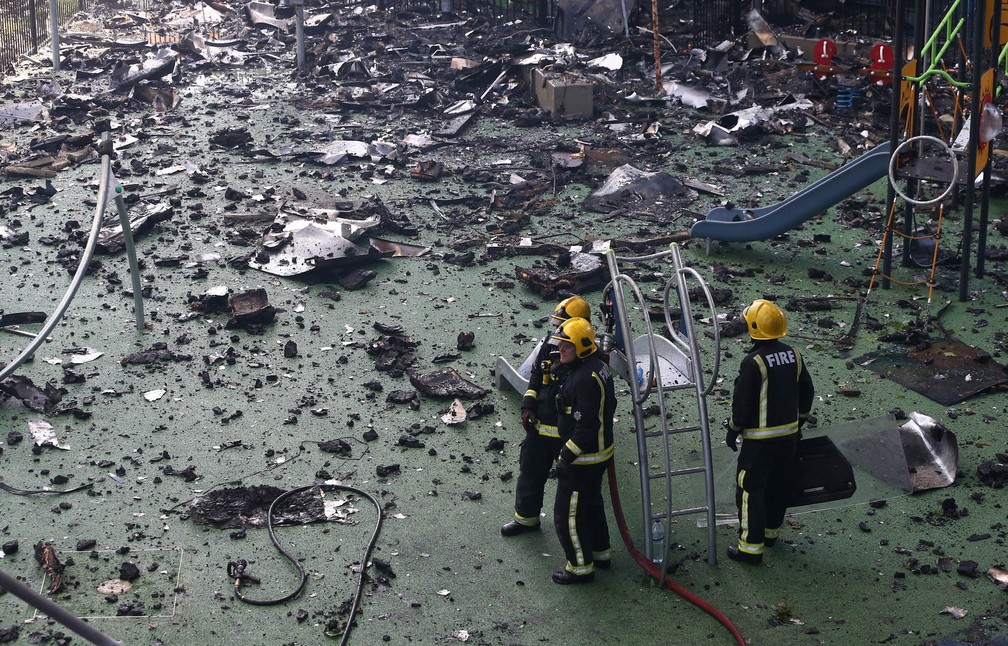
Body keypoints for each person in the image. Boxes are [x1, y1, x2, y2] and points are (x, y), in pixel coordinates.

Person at [724, 298, 815, 565]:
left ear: (753, 328)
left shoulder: (753, 362)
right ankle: (771, 534)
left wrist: (733, 430)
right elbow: (807, 391)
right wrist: (798, 422)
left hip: (760, 442)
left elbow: (742, 404)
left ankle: (750, 549)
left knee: (750, 488)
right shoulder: (794, 354)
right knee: (778, 485)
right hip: (788, 438)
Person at [501, 296, 591, 537]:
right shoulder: (550, 345)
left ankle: (584, 542)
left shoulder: (585, 358)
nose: (558, 332)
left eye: (564, 326)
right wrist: (528, 405)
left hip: (567, 435)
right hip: (540, 428)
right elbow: (534, 378)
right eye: (558, 326)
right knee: (529, 472)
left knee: (570, 493)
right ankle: (526, 519)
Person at [549, 317, 615, 584]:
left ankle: (580, 567)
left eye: (566, 346)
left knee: (569, 515)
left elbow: (586, 424)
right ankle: (601, 553)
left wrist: (566, 456)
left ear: (582, 347)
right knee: (592, 505)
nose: (561, 350)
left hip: (583, 459)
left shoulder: (584, 379)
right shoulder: (597, 368)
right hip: (599, 454)